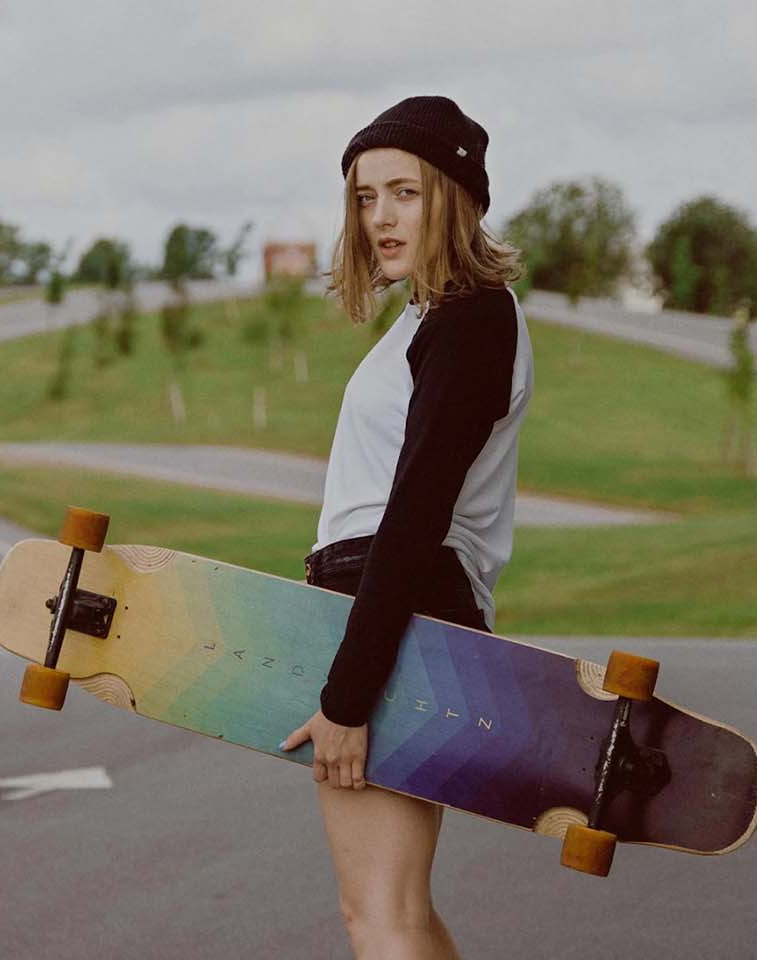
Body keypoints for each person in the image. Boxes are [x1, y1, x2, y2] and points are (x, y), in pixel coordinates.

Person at [281, 96, 533, 957]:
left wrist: (349, 698)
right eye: (363, 196)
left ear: (456, 198)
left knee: (380, 914)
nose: (379, 217)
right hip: (394, 612)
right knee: (401, 912)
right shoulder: (434, 316)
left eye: (405, 193)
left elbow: (415, 516)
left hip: (399, 620)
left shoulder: (471, 319)